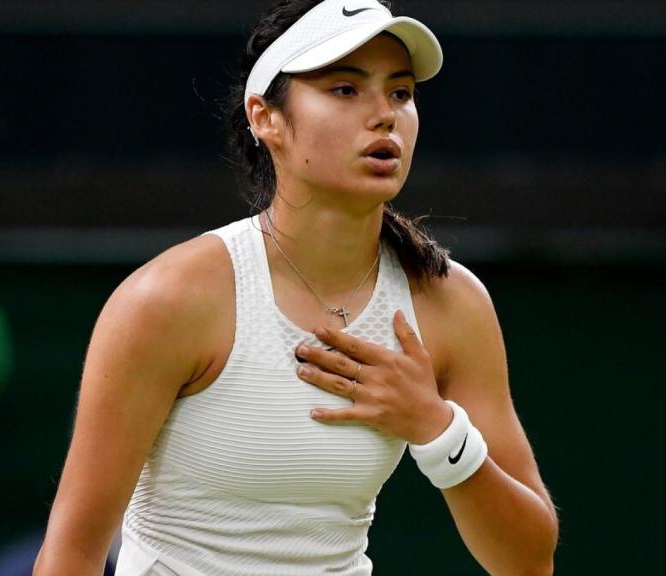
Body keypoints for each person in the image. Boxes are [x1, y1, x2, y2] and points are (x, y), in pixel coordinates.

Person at [33, 1, 558, 574]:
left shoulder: (452, 304)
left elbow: (529, 560)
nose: (385, 115)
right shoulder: (167, 300)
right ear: (266, 118)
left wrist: (435, 427)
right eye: (344, 89)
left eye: (401, 93)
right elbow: (71, 553)